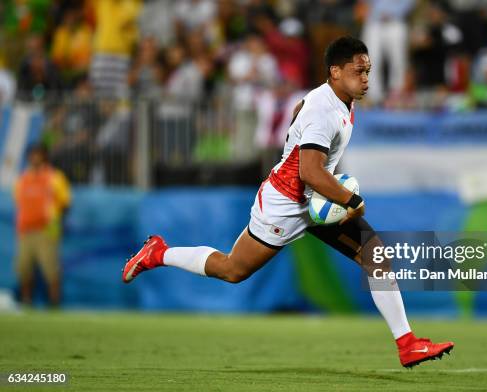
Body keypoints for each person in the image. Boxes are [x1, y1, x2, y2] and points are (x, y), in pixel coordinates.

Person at [122, 36, 453, 368]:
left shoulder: (337, 100)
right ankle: (159, 253)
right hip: (286, 204)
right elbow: (309, 170)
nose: (365, 79)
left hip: (316, 199)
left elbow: (300, 122)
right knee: (232, 270)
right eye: (358, 71)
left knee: (375, 255)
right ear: (335, 72)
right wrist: (351, 199)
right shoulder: (323, 110)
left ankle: (407, 344)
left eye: (368, 71)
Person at [14, 144, 71, 307]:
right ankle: (26, 303)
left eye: (38, 154)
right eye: (32, 155)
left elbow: (65, 202)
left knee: (50, 270)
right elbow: (19, 202)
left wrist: (55, 222)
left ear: (44, 156)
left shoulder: (54, 177)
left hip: (46, 231)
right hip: (25, 231)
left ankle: (54, 304)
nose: (35, 158)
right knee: (23, 268)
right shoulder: (23, 179)